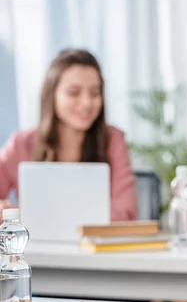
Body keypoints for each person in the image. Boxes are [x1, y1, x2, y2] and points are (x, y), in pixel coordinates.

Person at [0, 48, 138, 221]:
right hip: (36, 246)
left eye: (95, 93)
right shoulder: (20, 144)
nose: (87, 102)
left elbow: (127, 213)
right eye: (74, 92)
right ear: (52, 95)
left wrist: (38, 215)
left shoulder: (113, 140)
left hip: (96, 246)